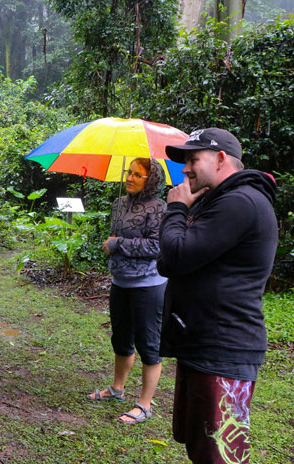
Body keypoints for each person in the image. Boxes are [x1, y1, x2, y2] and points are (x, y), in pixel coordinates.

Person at [158, 128, 278, 463]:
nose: (185, 169)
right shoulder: (219, 201)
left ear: (221, 159)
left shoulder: (240, 203)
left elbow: (175, 256)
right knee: (200, 447)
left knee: (221, 455)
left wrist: (177, 208)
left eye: (193, 159)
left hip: (224, 350)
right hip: (204, 345)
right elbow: (170, 257)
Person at [87, 158, 167, 425]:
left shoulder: (158, 207)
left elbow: (156, 247)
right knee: (121, 339)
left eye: (137, 175)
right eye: (128, 172)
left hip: (148, 285)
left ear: (151, 179)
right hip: (120, 282)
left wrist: (117, 243)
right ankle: (117, 389)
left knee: (148, 344)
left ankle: (145, 404)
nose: (130, 178)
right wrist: (112, 245)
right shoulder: (118, 204)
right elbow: (115, 239)